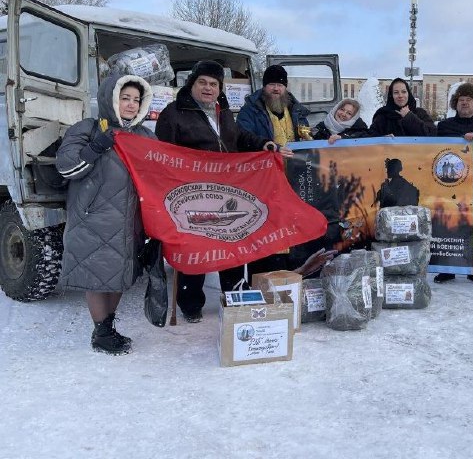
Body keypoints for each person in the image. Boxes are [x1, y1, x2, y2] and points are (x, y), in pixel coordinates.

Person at [155, 60, 278, 323]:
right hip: (191, 194)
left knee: (231, 240)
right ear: (192, 84)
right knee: (195, 247)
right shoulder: (173, 113)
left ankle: (233, 291)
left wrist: (263, 143)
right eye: (203, 82)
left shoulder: (223, 111)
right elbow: (163, 156)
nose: (208, 88)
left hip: (226, 191)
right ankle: (190, 302)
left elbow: (238, 137)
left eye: (214, 83)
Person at [56, 73, 155, 354]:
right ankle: (100, 333)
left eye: (136, 100)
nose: (131, 105)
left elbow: (162, 171)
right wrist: (96, 147)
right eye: (125, 98)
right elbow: (67, 168)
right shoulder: (87, 129)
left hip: (130, 220)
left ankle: (108, 328)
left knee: (119, 274)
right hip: (94, 217)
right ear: (110, 99)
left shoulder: (144, 135)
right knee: (97, 274)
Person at [434, 83, 473, 285]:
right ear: (456, 103)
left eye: (468, 99)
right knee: (449, 224)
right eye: (461, 100)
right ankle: (447, 268)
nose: (464, 103)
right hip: (449, 185)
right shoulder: (443, 127)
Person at [237, 64, 311, 146]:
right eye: (272, 84)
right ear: (264, 86)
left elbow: (307, 134)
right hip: (267, 158)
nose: (276, 88)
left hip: (295, 157)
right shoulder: (250, 110)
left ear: (285, 87)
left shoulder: (297, 110)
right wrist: (263, 144)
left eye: (280, 85)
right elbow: (243, 137)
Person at [367, 77, 436, 137]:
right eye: (396, 92)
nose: (400, 95)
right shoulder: (383, 115)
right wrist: (382, 139)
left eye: (403, 92)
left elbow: (432, 135)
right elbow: (370, 137)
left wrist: (409, 117)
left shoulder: (420, 113)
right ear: (391, 95)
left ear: (408, 93)